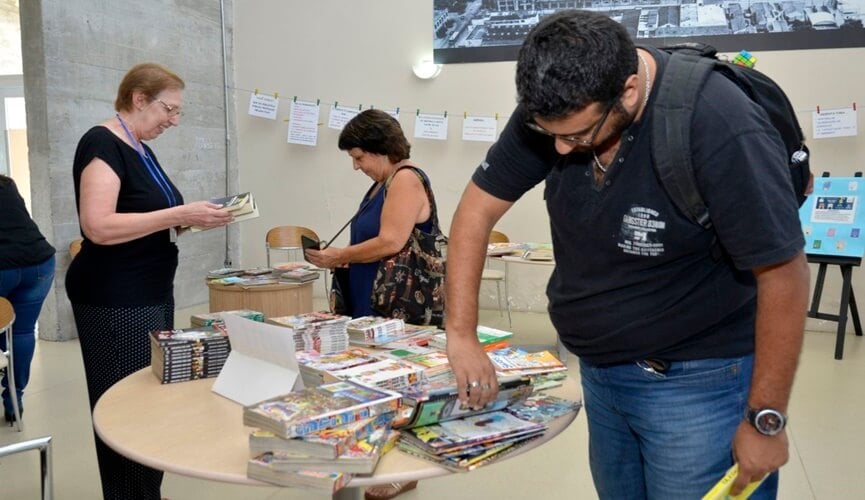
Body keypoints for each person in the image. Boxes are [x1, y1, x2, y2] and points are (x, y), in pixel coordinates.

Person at [444, 10, 809, 500]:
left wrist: (765, 420)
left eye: (576, 136)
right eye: (548, 130)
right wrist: (461, 335)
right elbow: (474, 213)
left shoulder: (718, 123)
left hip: (698, 384)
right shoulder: (561, 106)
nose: (559, 146)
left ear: (630, 91)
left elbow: (783, 273)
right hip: (601, 377)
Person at [65, 63, 233, 499]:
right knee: (125, 406)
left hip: (150, 288)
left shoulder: (139, 145)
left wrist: (191, 221)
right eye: (169, 110)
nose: (173, 121)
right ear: (139, 98)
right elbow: (98, 226)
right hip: (115, 294)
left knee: (150, 398)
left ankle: (144, 493)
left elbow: (144, 215)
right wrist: (179, 214)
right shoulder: (102, 142)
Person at [305, 108, 434, 500]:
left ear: (381, 150)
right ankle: (364, 461)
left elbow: (391, 241)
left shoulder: (406, 179)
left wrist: (339, 254)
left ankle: (403, 470)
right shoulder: (383, 183)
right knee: (367, 382)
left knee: (396, 383)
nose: (356, 166)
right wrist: (340, 256)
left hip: (394, 301)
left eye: (359, 157)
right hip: (370, 294)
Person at [0, 174, 56, 425]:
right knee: (21, 333)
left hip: (3, 267)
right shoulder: (6, 183)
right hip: (39, 262)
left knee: (5, 326)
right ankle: (14, 400)